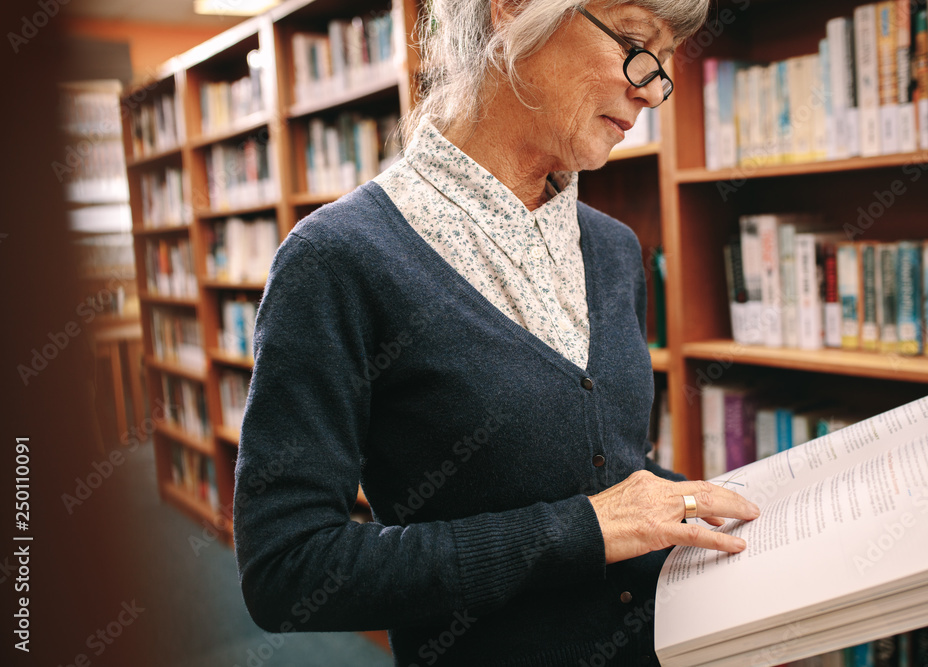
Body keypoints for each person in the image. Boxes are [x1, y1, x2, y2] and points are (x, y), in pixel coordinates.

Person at [234, 1, 761, 664]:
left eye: (663, 65)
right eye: (633, 43)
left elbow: (607, 468)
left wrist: (723, 515)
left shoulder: (616, 250)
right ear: (512, 11)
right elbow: (288, 569)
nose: (652, 90)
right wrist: (585, 530)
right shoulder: (337, 259)